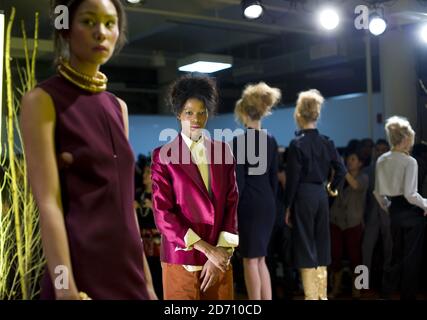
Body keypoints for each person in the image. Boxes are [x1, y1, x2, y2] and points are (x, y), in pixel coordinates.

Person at [20, 0, 156, 300]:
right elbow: (48, 205)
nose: (101, 32)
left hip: (129, 272)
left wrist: (147, 283)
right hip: (79, 270)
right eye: (88, 21)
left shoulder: (118, 108)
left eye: (110, 23)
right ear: (65, 27)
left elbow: (125, 205)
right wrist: (63, 286)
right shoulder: (41, 101)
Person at [151, 74, 239, 300]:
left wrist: (220, 252)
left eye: (202, 112)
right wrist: (206, 249)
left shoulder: (223, 152)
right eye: (189, 112)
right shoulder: (163, 156)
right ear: (179, 113)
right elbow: (163, 214)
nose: (196, 118)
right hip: (181, 259)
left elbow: (232, 205)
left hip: (219, 258)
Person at [284, 89, 346, 300]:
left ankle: (312, 297)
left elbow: (292, 180)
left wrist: (287, 206)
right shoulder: (327, 141)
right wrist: (331, 188)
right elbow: (341, 169)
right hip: (321, 194)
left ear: (299, 115)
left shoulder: (296, 144)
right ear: (316, 115)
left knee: (305, 246)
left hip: (302, 195)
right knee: (321, 245)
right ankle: (322, 296)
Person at [232, 82, 281, 300]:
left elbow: (239, 182)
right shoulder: (271, 141)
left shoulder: (238, 142)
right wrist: (272, 203)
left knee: (250, 259)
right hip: (267, 202)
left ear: (243, 113)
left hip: (248, 203)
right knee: (260, 259)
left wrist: (232, 209)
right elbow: (274, 179)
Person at [374, 116, 427, 300]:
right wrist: (426, 204)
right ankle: (407, 297)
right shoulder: (409, 161)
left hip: (394, 213)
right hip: (412, 215)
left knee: (395, 257)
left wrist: (389, 208)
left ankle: (386, 293)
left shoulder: (381, 159)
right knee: (411, 260)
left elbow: (377, 193)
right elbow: (411, 195)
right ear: (406, 138)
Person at [330, 151, 368, 299]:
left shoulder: (364, 177)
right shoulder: (341, 177)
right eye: (348, 159)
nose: (349, 161)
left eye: (353, 159)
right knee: (335, 256)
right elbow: (331, 191)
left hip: (353, 222)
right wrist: (334, 174)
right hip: (335, 220)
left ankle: (359, 288)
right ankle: (336, 288)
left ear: (360, 163)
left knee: (356, 257)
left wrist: (342, 170)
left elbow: (355, 186)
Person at [361, 139, 392, 298]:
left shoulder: (394, 169)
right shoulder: (367, 170)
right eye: (377, 149)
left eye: (383, 149)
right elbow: (363, 198)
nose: (380, 152)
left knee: (389, 251)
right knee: (366, 251)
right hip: (371, 215)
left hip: (388, 216)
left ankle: (387, 286)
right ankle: (362, 285)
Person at [135, 162, 163, 299]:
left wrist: (153, 207)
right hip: (143, 243)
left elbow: (170, 217)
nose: (144, 175)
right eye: (144, 172)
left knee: (159, 275)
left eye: (147, 172)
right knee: (147, 273)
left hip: (159, 244)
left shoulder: (161, 194)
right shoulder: (137, 194)